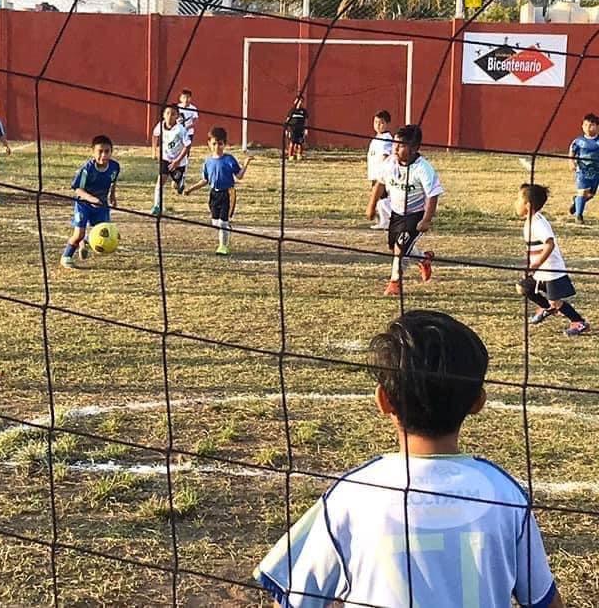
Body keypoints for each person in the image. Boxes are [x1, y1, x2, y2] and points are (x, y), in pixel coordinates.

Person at [255, 309, 565, 608]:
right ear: (478, 403)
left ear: (383, 400)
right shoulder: (504, 494)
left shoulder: (351, 494)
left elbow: (293, 597)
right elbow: (543, 600)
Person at [366, 124, 441, 296]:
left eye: (401, 145)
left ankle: (394, 283)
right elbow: (380, 184)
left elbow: (433, 195)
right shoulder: (390, 163)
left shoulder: (423, 168)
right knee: (395, 247)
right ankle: (423, 259)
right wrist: (371, 206)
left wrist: (426, 219)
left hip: (415, 215)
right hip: (396, 213)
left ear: (414, 148)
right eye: (395, 144)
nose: (395, 148)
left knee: (400, 247)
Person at [516, 183, 590, 336]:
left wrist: (536, 264)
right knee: (524, 288)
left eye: (518, 199)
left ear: (528, 205)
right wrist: (530, 264)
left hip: (551, 271)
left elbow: (549, 244)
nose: (515, 203)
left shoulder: (538, 224)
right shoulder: (528, 223)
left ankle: (579, 322)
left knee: (556, 301)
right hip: (540, 271)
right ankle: (546, 307)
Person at [184, 127, 252, 256]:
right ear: (209, 143)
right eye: (214, 143)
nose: (217, 147)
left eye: (220, 144)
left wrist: (246, 163)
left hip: (227, 193)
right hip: (214, 194)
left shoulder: (229, 159)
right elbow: (205, 180)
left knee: (222, 222)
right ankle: (226, 229)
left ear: (224, 144)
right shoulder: (208, 162)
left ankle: (223, 246)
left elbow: (239, 176)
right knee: (215, 222)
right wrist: (191, 189)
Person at [61, 135, 120, 269]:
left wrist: (112, 195)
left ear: (112, 151)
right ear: (93, 152)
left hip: (102, 204)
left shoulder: (115, 167)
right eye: (100, 151)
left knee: (104, 231)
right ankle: (66, 256)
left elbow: (113, 181)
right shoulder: (86, 170)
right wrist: (92, 199)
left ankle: (86, 241)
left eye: (107, 151)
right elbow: (78, 190)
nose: (103, 155)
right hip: (84, 205)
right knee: (78, 234)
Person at [151, 104, 191, 216]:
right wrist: (154, 150)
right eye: (167, 113)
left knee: (176, 186)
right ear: (163, 114)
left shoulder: (180, 129)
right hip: (165, 158)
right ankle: (157, 206)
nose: (169, 116)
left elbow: (187, 146)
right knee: (160, 182)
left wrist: (177, 161)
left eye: (173, 114)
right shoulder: (160, 126)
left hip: (179, 162)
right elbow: (155, 135)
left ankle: (180, 181)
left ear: (177, 116)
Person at [567, 112, 599, 224]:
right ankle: (579, 216)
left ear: (597, 126)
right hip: (582, 171)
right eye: (585, 125)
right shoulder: (579, 141)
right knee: (583, 191)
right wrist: (571, 162)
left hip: (596, 172)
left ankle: (576, 202)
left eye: (591, 125)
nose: (588, 128)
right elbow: (572, 151)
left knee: (590, 195)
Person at [367, 109, 393, 230]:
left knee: (382, 198)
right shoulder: (377, 138)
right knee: (378, 198)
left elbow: (385, 155)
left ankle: (390, 219)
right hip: (374, 172)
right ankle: (384, 220)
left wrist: (382, 170)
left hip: (381, 173)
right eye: (376, 122)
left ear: (387, 124)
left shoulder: (386, 138)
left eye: (381, 122)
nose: (378, 125)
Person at [286, 96, 308, 161]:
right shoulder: (292, 111)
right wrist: (287, 129)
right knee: (292, 143)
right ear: (295, 101)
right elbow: (287, 121)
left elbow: (306, 121)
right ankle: (291, 156)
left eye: (301, 101)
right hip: (293, 130)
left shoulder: (304, 111)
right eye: (298, 101)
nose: (299, 102)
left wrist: (306, 129)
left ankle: (299, 156)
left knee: (300, 144)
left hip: (300, 130)